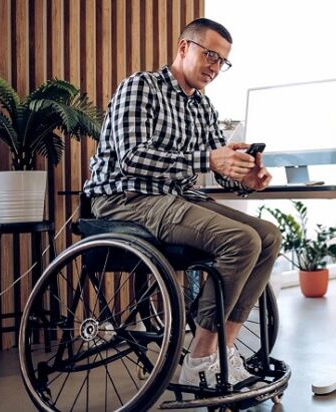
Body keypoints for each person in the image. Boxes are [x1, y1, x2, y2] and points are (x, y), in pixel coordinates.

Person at [83, 18, 281, 390]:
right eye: (209, 55)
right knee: (241, 241)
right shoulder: (141, 87)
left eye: (222, 61)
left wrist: (244, 178)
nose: (214, 67)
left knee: (268, 236)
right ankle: (201, 359)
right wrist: (207, 160)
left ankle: (223, 352)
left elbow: (217, 166)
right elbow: (133, 158)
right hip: (125, 198)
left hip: (174, 198)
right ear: (183, 48)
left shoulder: (203, 107)